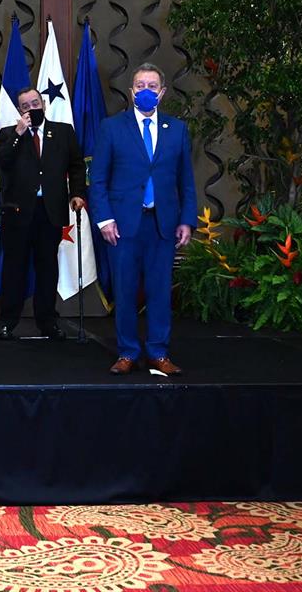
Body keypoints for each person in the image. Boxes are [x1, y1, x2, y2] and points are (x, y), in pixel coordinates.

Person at [90, 62, 197, 375]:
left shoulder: (176, 130)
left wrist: (187, 220)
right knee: (124, 290)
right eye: (140, 86)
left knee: (160, 290)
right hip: (122, 225)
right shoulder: (112, 127)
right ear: (131, 91)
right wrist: (104, 219)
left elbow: (185, 181)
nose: (146, 91)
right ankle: (127, 352)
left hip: (162, 224)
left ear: (162, 92)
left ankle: (158, 352)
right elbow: (98, 180)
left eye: (152, 86)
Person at [0, 86, 87, 340]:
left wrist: (77, 193)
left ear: (43, 103)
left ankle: (47, 321)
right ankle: (7, 321)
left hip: (50, 212)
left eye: (35, 103)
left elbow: (76, 166)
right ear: (20, 110)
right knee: (14, 268)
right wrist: (18, 133)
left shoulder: (63, 132)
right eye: (25, 106)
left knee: (47, 268)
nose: (31, 109)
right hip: (18, 212)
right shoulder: (10, 134)